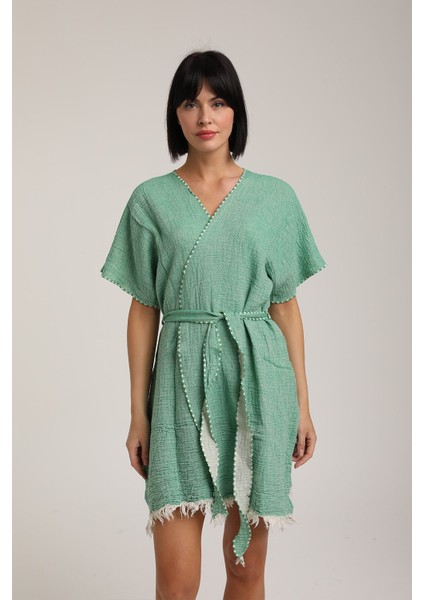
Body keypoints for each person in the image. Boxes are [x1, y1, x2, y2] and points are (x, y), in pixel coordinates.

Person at [100, 49, 327, 600]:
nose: (205, 116)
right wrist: (138, 413)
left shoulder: (275, 198)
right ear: (175, 115)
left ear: (235, 112)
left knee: (246, 571)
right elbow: (143, 308)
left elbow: (285, 306)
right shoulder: (150, 200)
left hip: (259, 382)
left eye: (218, 102)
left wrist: (303, 404)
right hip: (178, 388)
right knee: (176, 584)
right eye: (190, 103)